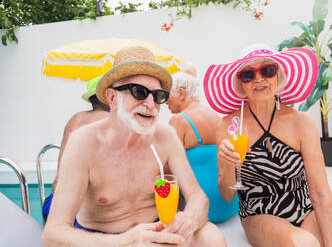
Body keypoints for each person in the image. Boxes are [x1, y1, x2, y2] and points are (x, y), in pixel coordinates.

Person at [42, 46, 226, 247]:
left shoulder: (165, 136)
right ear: (112, 98)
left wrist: (188, 219)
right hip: (105, 239)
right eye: (139, 92)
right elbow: (53, 234)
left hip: (156, 229)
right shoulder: (84, 142)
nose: (150, 104)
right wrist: (127, 241)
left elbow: (197, 195)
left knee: (211, 237)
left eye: (157, 96)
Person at [205, 44, 332, 246]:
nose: (259, 78)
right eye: (248, 74)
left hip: (304, 206)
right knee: (303, 243)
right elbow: (227, 195)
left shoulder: (301, 122)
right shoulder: (228, 125)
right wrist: (227, 163)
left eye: (268, 70)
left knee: (325, 242)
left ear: (278, 75)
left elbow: (320, 193)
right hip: (259, 212)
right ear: (240, 83)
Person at [167, 63, 239, 223]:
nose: (165, 101)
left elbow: (168, 169)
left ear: (181, 93)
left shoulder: (179, 120)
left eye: (167, 95)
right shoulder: (214, 116)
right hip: (231, 204)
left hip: (204, 209)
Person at [42, 76, 110, 222]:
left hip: (52, 204)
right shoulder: (109, 122)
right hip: (76, 214)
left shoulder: (75, 118)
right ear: (109, 97)